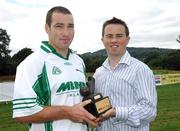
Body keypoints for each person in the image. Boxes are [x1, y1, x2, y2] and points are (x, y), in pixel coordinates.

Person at [13, 6, 99, 131]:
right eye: (59, 26)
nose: (66, 33)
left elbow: (77, 102)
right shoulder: (32, 63)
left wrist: (90, 114)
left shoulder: (78, 61)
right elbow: (22, 113)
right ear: (47, 28)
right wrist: (67, 112)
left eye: (70, 26)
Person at [93, 17, 157, 131]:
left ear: (127, 39)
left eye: (119, 36)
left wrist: (116, 112)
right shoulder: (98, 73)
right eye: (109, 36)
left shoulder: (141, 70)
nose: (114, 40)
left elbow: (149, 111)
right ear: (103, 40)